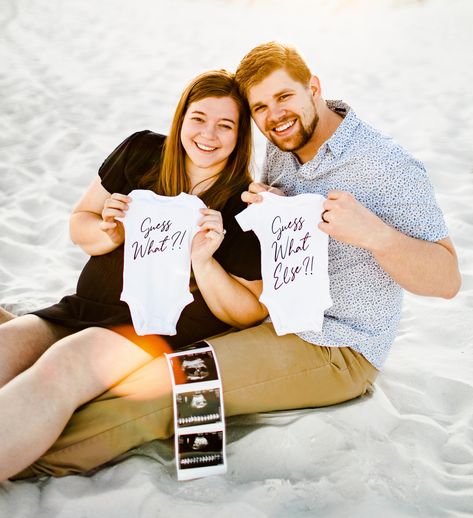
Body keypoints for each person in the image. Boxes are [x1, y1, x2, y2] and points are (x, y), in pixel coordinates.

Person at [7, 42, 461, 481]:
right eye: (260, 107)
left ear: (314, 87)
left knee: (174, 388)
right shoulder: (282, 151)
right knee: (137, 369)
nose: (274, 115)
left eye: (284, 96)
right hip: (271, 322)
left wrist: (374, 234)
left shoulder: (385, 165)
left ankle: (32, 457)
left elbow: (447, 280)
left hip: (335, 342)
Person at [0, 70, 266, 482]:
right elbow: (80, 223)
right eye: (198, 118)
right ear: (181, 118)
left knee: (62, 366)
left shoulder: (243, 204)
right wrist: (109, 231)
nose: (208, 134)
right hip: (83, 309)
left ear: (241, 135)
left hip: (153, 333)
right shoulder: (142, 152)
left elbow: (247, 312)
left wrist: (205, 261)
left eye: (225, 125)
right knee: (7, 343)